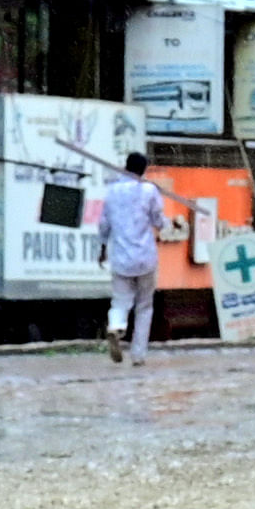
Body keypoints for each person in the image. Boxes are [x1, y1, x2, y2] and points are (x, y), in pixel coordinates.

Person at [102, 149, 172, 363]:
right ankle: (138, 355)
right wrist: (171, 224)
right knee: (144, 306)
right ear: (144, 170)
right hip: (145, 257)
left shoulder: (112, 191)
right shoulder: (149, 191)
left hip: (121, 257)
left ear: (125, 166)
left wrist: (102, 248)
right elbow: (158, 221)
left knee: (120, 302)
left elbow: (104, 224)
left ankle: (116, 326)